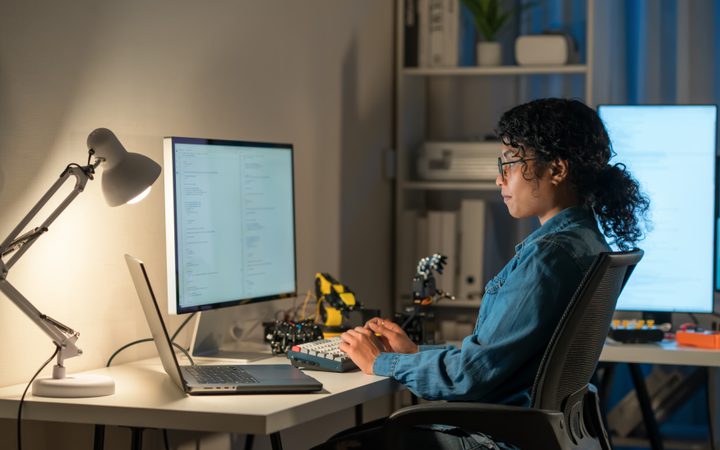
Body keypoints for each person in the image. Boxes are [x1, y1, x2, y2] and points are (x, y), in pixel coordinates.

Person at [314, 98, 650, 450]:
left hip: (499, 437)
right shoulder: (587, 242)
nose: (498, 178)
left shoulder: (551, 256)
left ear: (557, 170)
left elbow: (471, 377)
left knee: (342, 446)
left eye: (510, 164)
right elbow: (495, 357)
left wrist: (382, 362)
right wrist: (414, 353)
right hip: (538, 433)